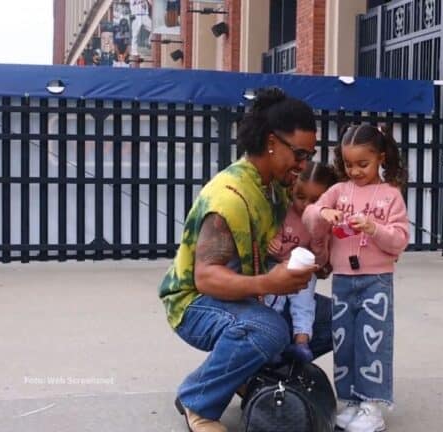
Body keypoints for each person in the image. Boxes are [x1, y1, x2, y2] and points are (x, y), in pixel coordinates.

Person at [158, 88, 333, 432]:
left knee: (336, 319)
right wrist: (271, 282)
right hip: (194, 304)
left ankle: (246, 374)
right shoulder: (230, 197)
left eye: (309, 155)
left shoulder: (277, 186)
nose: (303, 165)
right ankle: (198, 401)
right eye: (299, 154)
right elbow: (206, 279)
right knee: (268, 328)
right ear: (271, 141)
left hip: (250, 295)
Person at [304, 124, 409, 432]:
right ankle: (350, 401)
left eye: (363, 164)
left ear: (381, 157)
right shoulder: (338, 191)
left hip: (376, 280)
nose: (355, 171)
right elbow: (311, 213)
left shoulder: (390, 195)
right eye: (349, 164)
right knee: (344, 341)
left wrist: (374, 228)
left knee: (372, 343)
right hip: (343, 280)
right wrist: (323, 213)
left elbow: (400, 239)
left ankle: (372, 405)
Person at [263, 161, 338, 363]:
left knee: (304, 304)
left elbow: (322, 263)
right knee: (273, 300)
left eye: (315, 201)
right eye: (300, 196)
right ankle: (270, 342)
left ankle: (301, 342)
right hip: (277, 266)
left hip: (304, 272)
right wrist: (273, 241)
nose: (305, 205)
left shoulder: (323, 224)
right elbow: (271, 233)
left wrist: (318, 241)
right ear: (292, 191)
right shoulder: (284, 211)